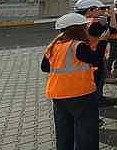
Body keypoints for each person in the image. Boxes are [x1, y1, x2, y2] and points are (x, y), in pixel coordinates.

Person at [42, 13, 109, 150]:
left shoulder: (54, 45)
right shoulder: (78, 46)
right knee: (86, 132)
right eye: (84, 27)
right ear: (77, 29)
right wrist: (102, 41)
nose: (86, 30)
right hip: (80, 94)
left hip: (58, 95)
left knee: (64, 132)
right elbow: (96, 60)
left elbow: (45, 67)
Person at [74, 0, 116, 106]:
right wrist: (112, 15)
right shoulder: (93, 23)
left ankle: (96, 98)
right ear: (90, 10)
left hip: (85, 56)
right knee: (98, 80)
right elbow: (113, 31)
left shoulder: (80, 22)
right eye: (98, 9)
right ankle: (97, 100)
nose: (101, 11)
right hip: (95, 56)